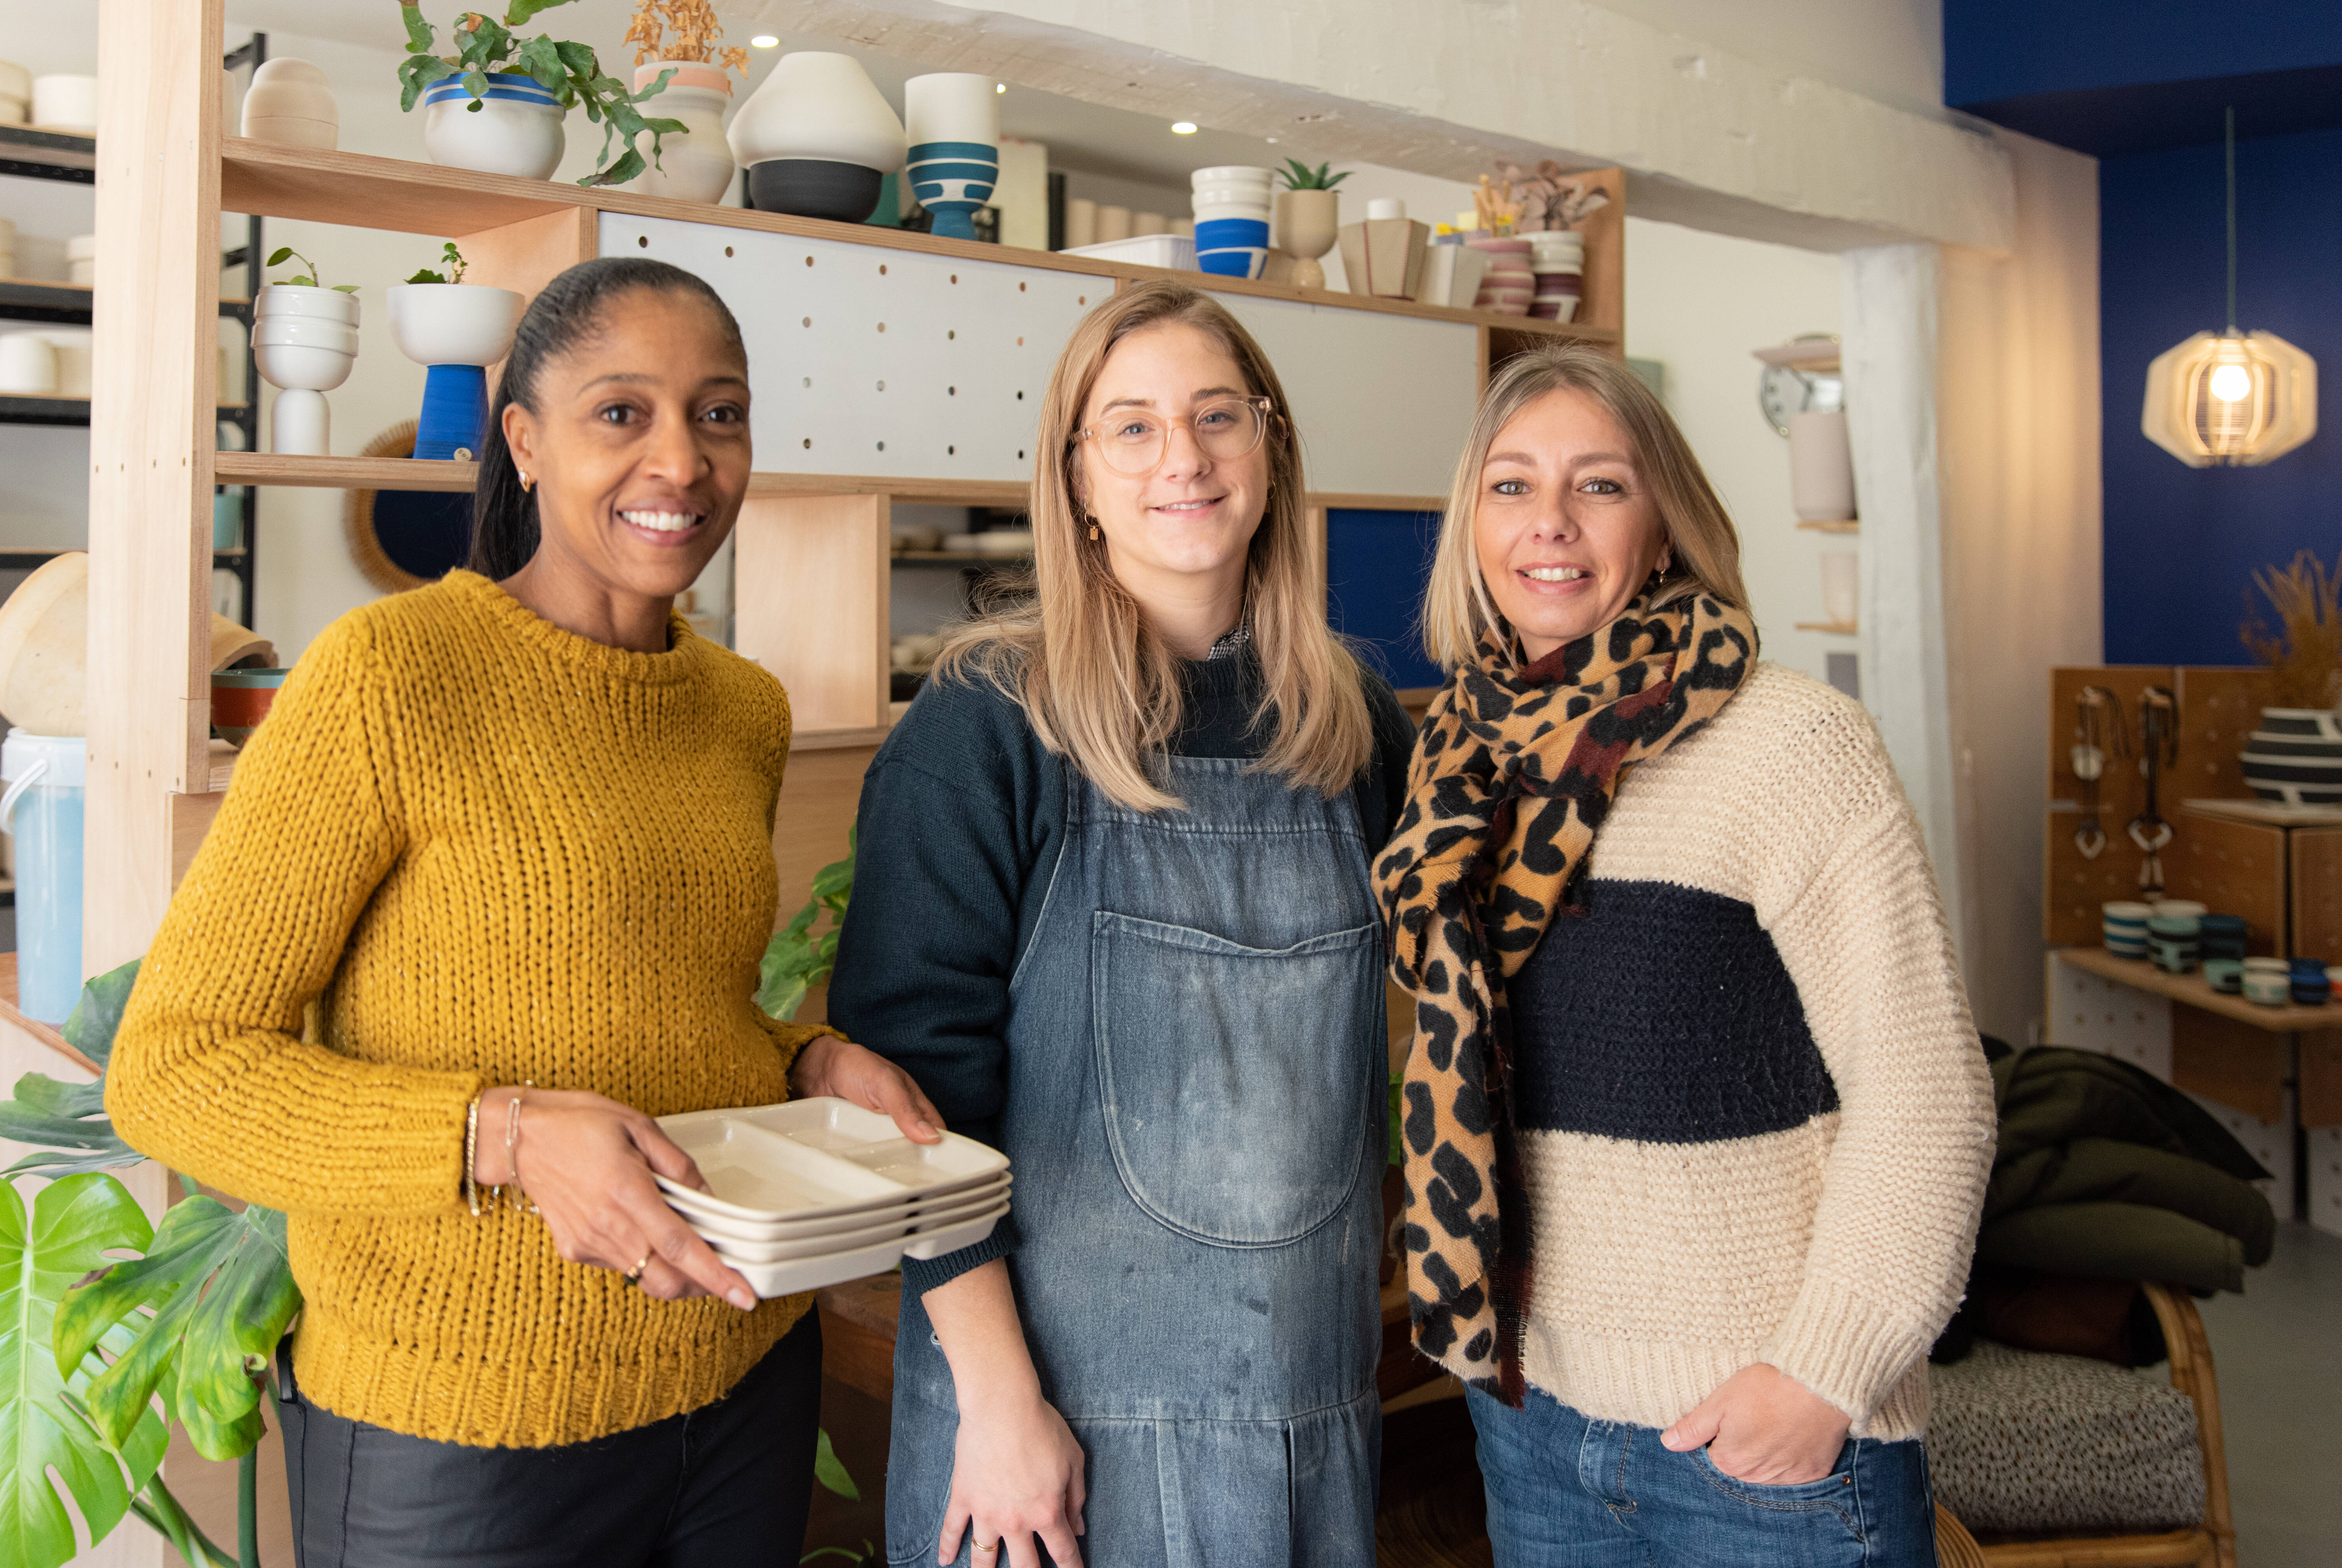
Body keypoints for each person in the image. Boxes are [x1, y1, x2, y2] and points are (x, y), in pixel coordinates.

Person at [106, 257, 941, 1568]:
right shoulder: (390, 677)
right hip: (460, 1427)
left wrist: (803, 1064)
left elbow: (668, 1009)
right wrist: (500, 1136)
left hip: (742, 1378)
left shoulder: (742, 708)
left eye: (719, 414)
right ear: (526, 441)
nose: (683, 460)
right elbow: (173, 1069)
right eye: (622, 413)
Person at [826, 280, 1420, 1568]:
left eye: (1218, 416)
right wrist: (1001, 1409)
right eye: (1133, 428)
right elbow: (913, 1109)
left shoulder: (1355, 724)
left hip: (1308, 1406)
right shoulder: (987, 724)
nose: (1183, 458)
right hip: (1049, 1438)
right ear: (1077, 478)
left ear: (1271, 447)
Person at [1373, 342, 1996, 1567]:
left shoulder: (1792, 745)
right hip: (1534, 1419)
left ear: (1664, 529)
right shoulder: (1460, 763)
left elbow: (1928, 1093)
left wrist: (1823, 1374)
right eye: (1511, 485)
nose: (1550, 521)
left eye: (1600, 485)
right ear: (1471, 527)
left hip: (1761, 1446)